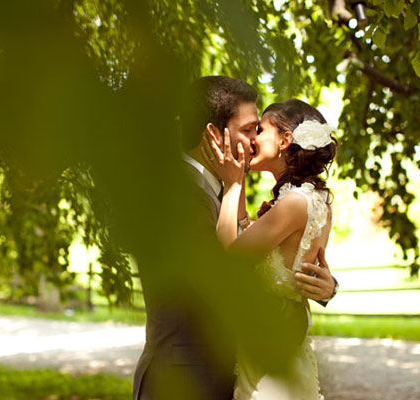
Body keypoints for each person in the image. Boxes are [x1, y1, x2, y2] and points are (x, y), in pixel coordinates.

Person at [132, 77, 336, 400]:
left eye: (259, 131)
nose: (255, 140)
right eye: (249, 130)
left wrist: (323, 287)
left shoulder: (219, 191)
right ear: (215, 135)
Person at [206, 98, 337, 399]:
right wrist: (239, 177)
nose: (252, 139)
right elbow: (244, 233)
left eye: (260, 130)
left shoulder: (293, 203)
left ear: (284, 140)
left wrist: (232, 184)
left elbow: (233, 253)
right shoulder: (314, 199)